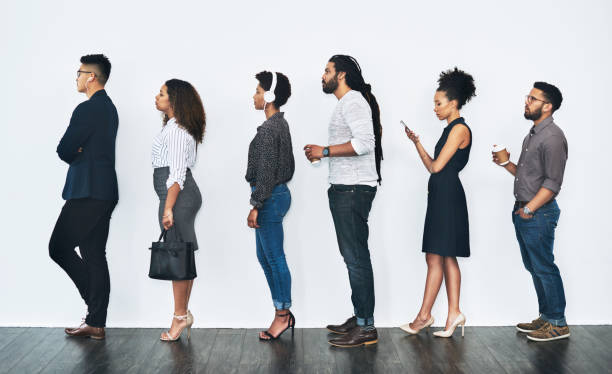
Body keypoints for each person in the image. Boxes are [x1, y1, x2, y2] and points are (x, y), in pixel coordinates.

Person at [304, 54, 383, 348]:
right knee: (353, 258)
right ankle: (360, 316)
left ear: (342, 74)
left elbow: (364, 144)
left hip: (352, 190)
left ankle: (366, 327)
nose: (322, 75)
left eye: (327, 71)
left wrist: (324, 151)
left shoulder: (353, 102)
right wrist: (322, 153)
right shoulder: (348, 103)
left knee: (356, 259)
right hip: (346, 189)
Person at [400, 67, 475, 338]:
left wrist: (423, 150)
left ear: (453, 103)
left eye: (438, 103)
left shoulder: (459, 129)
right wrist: (417, 143)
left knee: (436, 256)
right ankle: (453, 313)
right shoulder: (450, 130)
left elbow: (437, 168)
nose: (434, 108)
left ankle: (424, 316)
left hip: (447, 197)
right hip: (443, 195)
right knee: (444, 256)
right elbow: (433, 165)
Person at [492, 82, 569, 341]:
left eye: (533, 99)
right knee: (535, 266)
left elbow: (552, 184)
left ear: (547, 106)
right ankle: (547, 317)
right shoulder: (533, 134)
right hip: (526, 212)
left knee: (544, 267)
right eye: (528, 97)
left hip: (538, 213)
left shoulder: (553, 137)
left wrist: (528, 208)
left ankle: (558, 323)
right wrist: (506, 164)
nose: (527, 101)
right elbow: (529, 176)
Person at [49, 54, 118, 340]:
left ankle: (94, 304)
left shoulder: (87, 109)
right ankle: (96, 322)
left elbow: (64, 149)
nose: (76, 77)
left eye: (79, 73)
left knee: (58, 248)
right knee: (93, 255)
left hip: (87, 192)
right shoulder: (110, 108)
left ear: (91, 76)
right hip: (104, 191)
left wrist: (76, 152)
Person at [152, 79, 205, 341]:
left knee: (177, 258)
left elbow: (176, 176)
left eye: (161, 93)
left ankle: (179, 317)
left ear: (174, 101)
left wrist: (169, 207)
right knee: (181, 257)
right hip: (179, 197)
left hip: (178, 197)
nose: (157, 97)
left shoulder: (175, 132)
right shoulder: (177, 129)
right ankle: (182, 314)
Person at [247, 71, 296, 341]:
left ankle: (282, 315)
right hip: (274, 195)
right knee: (266, 257)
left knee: (274, 258)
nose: (253, 96)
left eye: (257, 91)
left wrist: (255, 205)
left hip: (268, 196)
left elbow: (265, 172)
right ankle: (281, 310)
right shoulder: (279, 124)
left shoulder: (269, 130)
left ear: (268, 96)